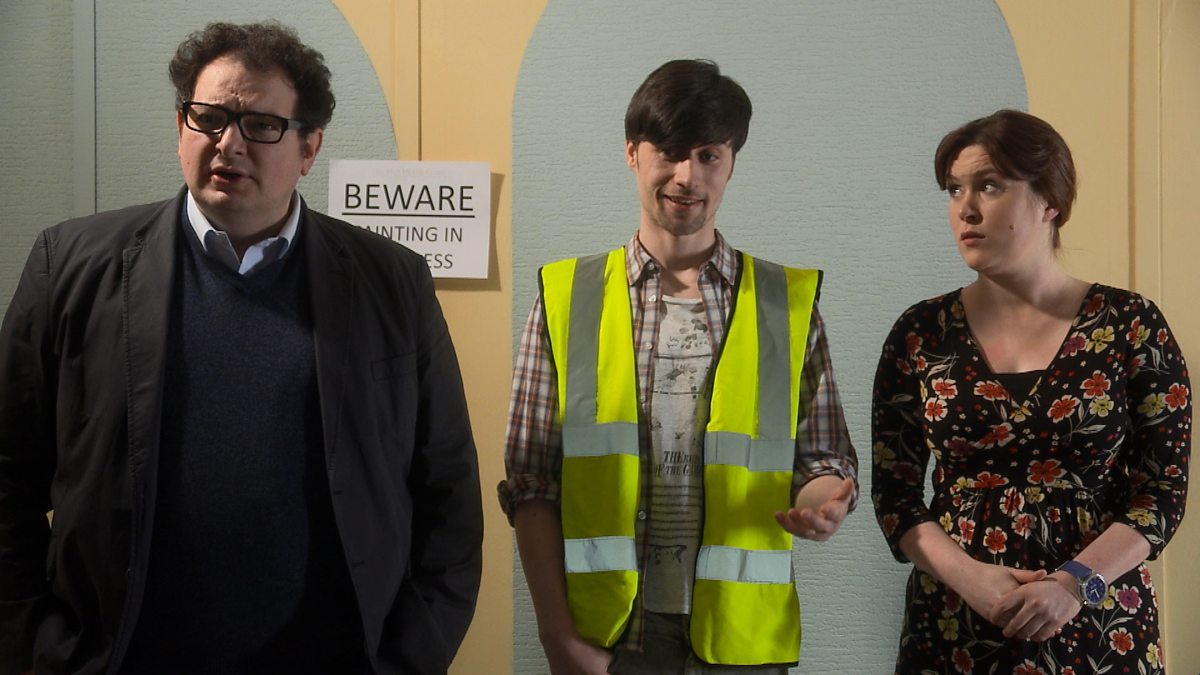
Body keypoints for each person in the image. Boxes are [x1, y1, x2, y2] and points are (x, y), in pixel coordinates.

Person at [0, 21, 482, 675]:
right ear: (180, 126)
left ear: (309, 147)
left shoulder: (391, 282)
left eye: (260, 125)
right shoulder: (70, 265)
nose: (228, 143)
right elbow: (9, 475)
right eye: (208, 118)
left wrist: (407, 659)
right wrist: (37, 649)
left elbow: (447, 493)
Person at [499, 59, 859, 674]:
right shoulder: (567, 298)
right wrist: (556, 636)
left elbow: (823, 460)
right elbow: (533, 484)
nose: (687, 175)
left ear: (731, 163)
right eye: (668, 151)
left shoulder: (784, 304)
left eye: (708, 155)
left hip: (743, 644)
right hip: (609, 639)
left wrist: (824, 504)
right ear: (632, 153)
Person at [871, 109, 1191, 673]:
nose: (966, 209)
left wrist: (1074, 584)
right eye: (954, 190)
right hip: (954, 625)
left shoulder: (1130, 324)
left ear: (1051, 201)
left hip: (1100, 625)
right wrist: (971, 580)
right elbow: (895, 494)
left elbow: (1161, 492)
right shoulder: (921, 333)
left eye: (990, 186)